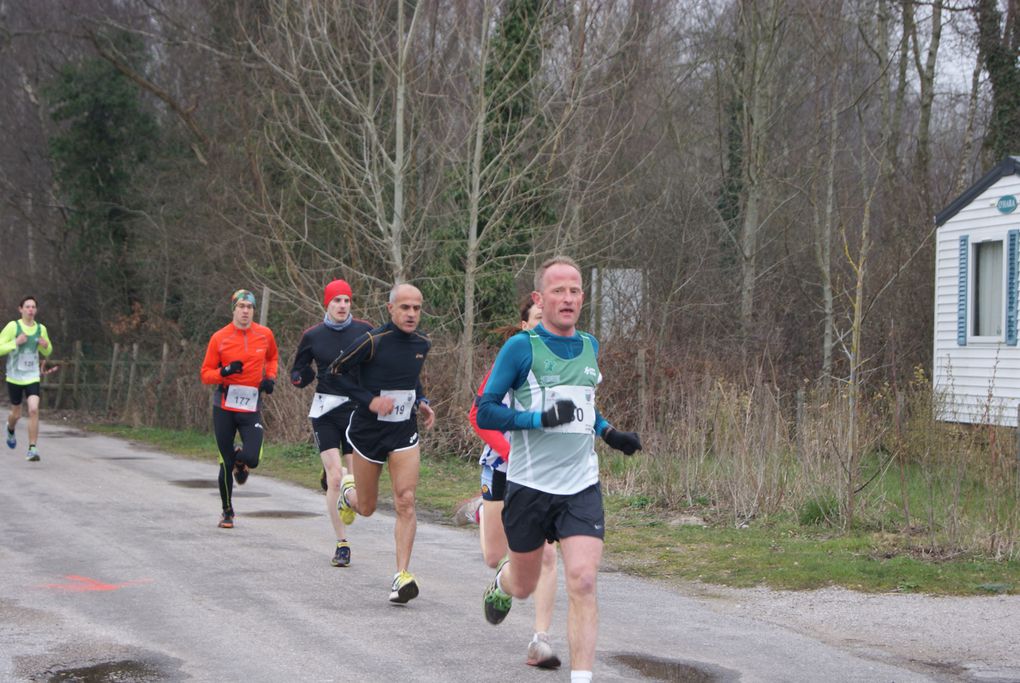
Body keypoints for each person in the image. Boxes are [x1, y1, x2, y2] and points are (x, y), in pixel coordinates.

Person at [475, 257, 642, 683]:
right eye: (558, 291)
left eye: (575, 291)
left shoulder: (590, 345)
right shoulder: (521, 347)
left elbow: (583, 405)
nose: (567, 298)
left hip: (580, 485)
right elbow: (486, 411)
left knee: (583, 580)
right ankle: (503, 581)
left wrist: (608, 432)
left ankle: (581, 678)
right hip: (530, 486)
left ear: (583, 297)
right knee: (525, 585)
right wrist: (537, 419)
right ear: (539, 298)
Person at [468, 298, 562, 669]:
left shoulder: (564, 365)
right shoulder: (510, 360)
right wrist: (510, 452)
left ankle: (541, 639)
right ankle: (500, 576)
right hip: (504, 465)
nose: (546, 326)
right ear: (525, 326)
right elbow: (478, 416)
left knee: (548, 554)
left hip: (543, 471)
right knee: (495, 556)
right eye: (539, 319)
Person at [328, 283, 435, 604]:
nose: (412, 314)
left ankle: (402, 575)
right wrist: (370, 400)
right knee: (367, 507)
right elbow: (335, 373)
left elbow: (411, 377)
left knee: (406, 500)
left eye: (417, 308)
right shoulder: (373, 341)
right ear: (391, 309)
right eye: (405, 308)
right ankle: (348, 495)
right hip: (367, 434)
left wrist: (422, 400)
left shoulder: (422, 343)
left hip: (403, 432)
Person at [290, 279, 373, 567]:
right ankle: (342, 544)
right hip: (324, 411)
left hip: (355, 412)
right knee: (336, 477)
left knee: (356, 482)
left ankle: (341, 496)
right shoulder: (313, 335)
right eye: (336, 300)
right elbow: (297, 371)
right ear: (327, 303)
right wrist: (302, 377)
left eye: (346, 300)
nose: (342, 305)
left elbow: (379, 362)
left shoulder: (365, 331)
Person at [200, 289, 279, 529]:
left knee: (252, 457)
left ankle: (240, 461)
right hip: (224, 406)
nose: (245, 311)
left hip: (250, 405)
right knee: (225, 461)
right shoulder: (219, 337)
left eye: (250, 307)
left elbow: (273, 357)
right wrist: (224, 372)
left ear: (254, 310)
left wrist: (270, 378)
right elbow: (206, 374)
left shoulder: (265, 335)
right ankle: (227, 511)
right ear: (233, 308)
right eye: (241, 306)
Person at [1, 297, 53, 461]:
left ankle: (32, 449)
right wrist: (15, 342)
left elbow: (48, 351)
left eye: (33, 307)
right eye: (27, 307)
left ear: (36, 310)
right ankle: (10, 428)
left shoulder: (40, 329)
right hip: (15, 377)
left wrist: (46, 346)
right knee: (16, 414)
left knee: (33, 409)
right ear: (20, 309)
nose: (30, 310)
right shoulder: (13, 327)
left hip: (32, 376)